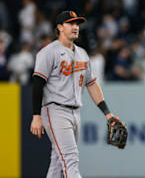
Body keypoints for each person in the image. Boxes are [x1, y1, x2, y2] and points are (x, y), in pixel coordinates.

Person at [30, 11, 122, 178]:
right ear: (59, 27)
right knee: (71, 158)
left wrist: (107, 113)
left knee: (58, 161)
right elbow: (38, 84)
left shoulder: (82, 54)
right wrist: (36, 115)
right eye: (71, 23)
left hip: (75, 112)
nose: (75, 27)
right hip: (54, 110)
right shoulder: (48, 52)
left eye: (77, 24)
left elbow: (92, 84)